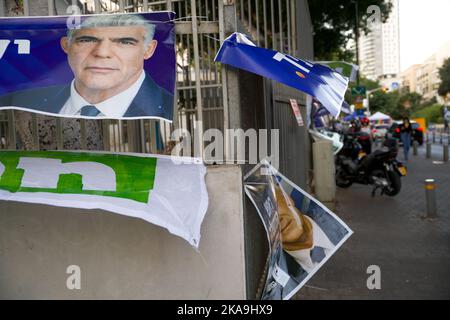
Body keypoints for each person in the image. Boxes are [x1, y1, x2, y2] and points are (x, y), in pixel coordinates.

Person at [0, 14, 173, 119]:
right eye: (87, 40)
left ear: (148, 50)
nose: (102, 52)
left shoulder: (169, 108)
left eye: (124, 42)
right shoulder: (18, 102)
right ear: (66, 45)